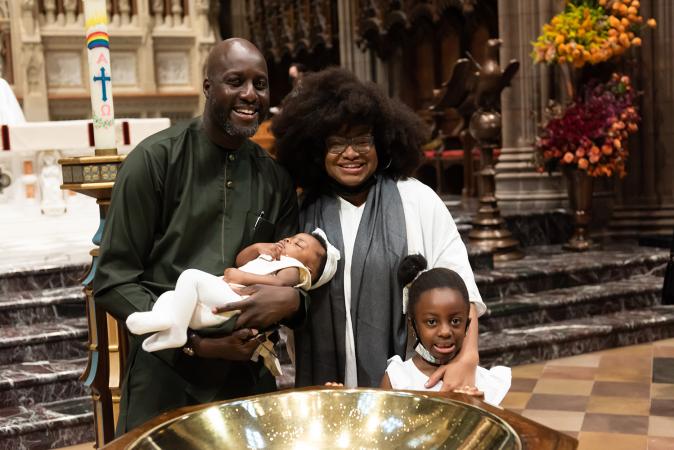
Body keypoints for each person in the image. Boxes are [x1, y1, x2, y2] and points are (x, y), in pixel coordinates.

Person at [93, 38, 305, 434]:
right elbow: (113, 279)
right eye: (235, 81)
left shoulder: (275, 179)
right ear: (207, 87)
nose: (249, 94)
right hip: (165, 373)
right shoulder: (156, 161)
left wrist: (292, 299)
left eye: (260, 84)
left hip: (246, 375)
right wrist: (196, 343)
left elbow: (292, 271)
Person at [272, 67, 487, 391]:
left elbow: (461, 289)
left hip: (407, 385)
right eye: (336, 144)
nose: (350, 153)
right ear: (316, 150)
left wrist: (467, 357)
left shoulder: (417, 199)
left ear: (384, 143)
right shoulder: (301, 211)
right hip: (325, 386)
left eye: (362, 141)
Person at [125, 230, 336, 353]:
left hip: (236, 302)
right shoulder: (273, 257)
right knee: (170, 296)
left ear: (309, 270)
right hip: (219, 300)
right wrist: (257, 248)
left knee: (189, 277)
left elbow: (280, 286)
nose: (289, 240)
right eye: (291, 237)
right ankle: (163, 322)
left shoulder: (293, 269)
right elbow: (241, 260)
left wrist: (243, 278)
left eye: (298, 244)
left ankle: (177, 332)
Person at [381, 255, 510, 406]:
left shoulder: (487, 385)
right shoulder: (398, 380)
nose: (445, 332)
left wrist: (480, 410)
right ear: (413, 325)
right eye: (432, 322)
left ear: (467, 325)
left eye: (455, 321)